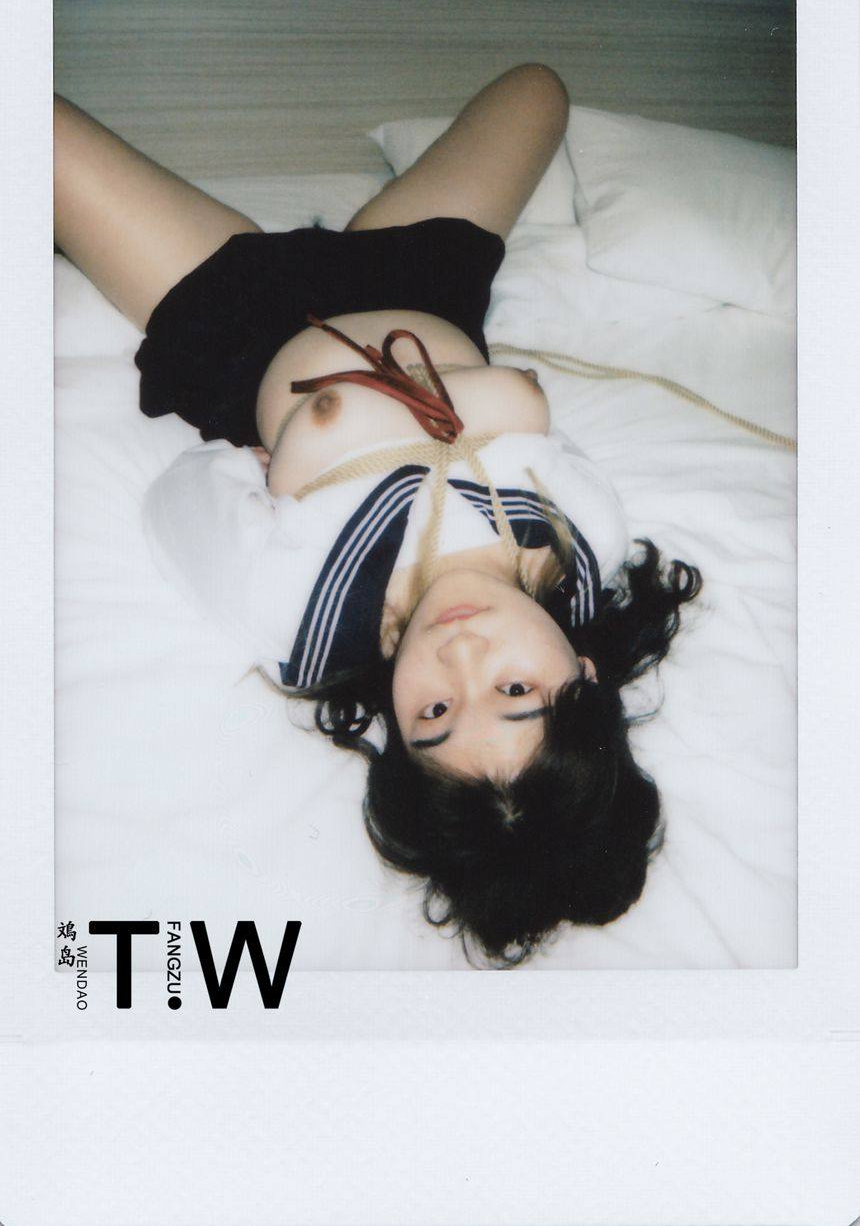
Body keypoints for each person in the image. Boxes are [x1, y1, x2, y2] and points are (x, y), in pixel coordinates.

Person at [54, 64, 701, 968]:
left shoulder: (305, 614)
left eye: (435, 710)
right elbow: (531, 414)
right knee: (538, 93)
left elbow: (176, 506)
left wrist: (249, 468)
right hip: (424, 282)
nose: (462, 657)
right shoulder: (582, 542)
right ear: (585, 676)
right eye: (515, 692)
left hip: (240, 316)